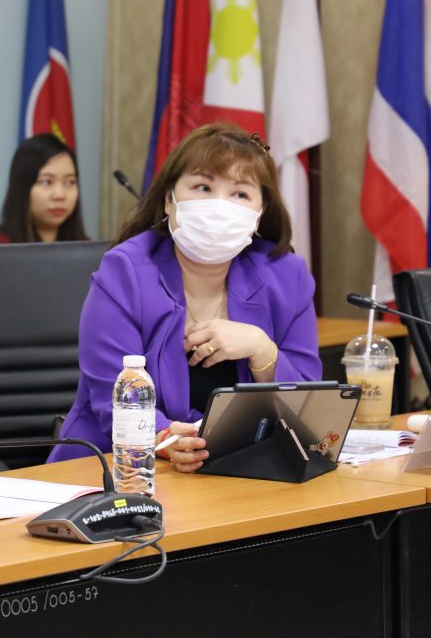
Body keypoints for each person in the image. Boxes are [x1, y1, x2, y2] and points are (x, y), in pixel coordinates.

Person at [48, 123, 322, 473]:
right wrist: (164, 438)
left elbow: (312, 410)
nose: (219, 206)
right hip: (118, 470)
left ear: (260, 214)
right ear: (169, 200)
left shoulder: (286, 275)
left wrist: (261, 349)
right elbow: (113, 399)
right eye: (203, 187)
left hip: (242, 473)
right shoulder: (125, 272)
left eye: (240, 194)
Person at [0, 134, 88, 244]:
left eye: (69, 182)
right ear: (23, 187)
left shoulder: (91, 250)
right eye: (47, 182)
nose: (60, 195)